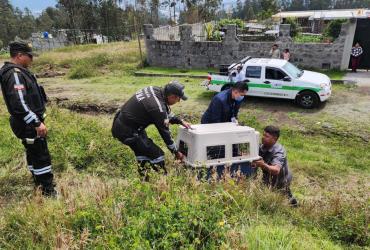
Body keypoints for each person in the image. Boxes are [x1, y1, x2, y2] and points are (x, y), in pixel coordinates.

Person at [0, 41, 56, 196]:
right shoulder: (15, 74)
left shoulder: (17, 71)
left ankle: (39, 183)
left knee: (33, 153)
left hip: (27, 123)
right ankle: (48, 192)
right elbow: (19, 103)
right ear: (19, 55)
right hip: (28, 124)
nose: (31, 59)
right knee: (41, 155)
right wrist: (36, 122)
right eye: (29, 56)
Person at [112, 80, 191, 179]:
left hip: (128, 125)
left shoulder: (156, 90)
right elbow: (165, 132)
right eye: (178, 99)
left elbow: (165, 112)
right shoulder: (156, 107)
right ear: (172, 96)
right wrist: (175, 152)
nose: (178, 102)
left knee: (143, 152)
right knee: (157, 155)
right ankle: (163, 181)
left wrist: (180, 121)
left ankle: (144, 180)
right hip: (127, 131)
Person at [252, 126, 297, 207]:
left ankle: (293, 205)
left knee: (283, 192)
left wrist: (263, 165)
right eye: (263, 135)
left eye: (266, 136)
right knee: (264, 190)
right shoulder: (263, 146)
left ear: (274, 139)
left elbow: (276, 170)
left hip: (282, 178)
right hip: (268, 175)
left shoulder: (279, 152)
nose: (263, 138)